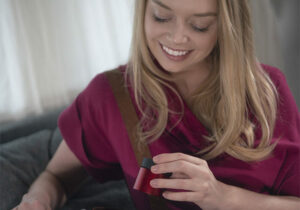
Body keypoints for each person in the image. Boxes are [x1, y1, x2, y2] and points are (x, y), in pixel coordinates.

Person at [14, 0, 300, 209]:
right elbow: (56, 178)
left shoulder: (266, 90)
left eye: (200, 25)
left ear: (226, 26)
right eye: (162, 17)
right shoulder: (113, 95)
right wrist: (35, 201)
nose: (176, 37)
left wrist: (222, 197)